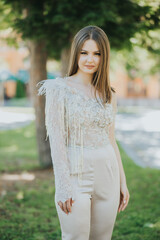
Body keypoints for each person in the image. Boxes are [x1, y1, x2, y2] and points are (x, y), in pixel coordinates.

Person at [37, 25, 130, 240]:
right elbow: (57, 141)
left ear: (104, 56)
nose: (90, 59)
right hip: (75, 173)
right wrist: (62, 186)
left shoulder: (109, 94)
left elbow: (111, 139)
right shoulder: (58, 90)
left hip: (108, 173)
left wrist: (122, 182)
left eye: (97, 53)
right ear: (76, 53)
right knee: (75, 237)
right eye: (84, 52)